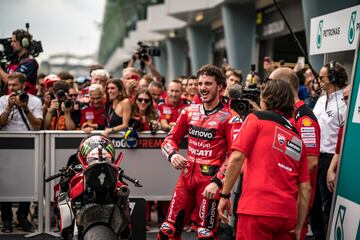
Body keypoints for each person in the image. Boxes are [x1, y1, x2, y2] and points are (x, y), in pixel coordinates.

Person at [218, 78, 311, 240]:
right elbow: (306, 189)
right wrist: (298, 226)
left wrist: (225, 196)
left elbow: (237, 157)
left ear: (265, 98)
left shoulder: (256, 119)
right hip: (287, 216)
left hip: (256, 210)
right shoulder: (298, 138)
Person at [158, 64, 239, 239]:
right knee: (167, 231)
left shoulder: (230, 117)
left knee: (206, 234)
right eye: (200, 83)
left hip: (209, 183)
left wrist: (217, 182)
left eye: (208, 83)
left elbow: (235, 156)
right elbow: (168, 140)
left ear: (220, 87)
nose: (202, 88)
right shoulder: (188, 112)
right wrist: (173, 155)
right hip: (185, 179)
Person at [274, 68, 321, 240]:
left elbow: (311, 161)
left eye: (273, 85)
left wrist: (289, 189)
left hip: (295, 199)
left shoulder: (304, 117)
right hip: (283, 197)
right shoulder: (287, 112)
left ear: (284, 86)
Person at [0, 72, 43, 233]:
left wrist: (25, 108)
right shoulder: (3, 101)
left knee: (27, 181)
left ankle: (22, 216)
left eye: (15, 85)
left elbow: (37, 125)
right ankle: (6, 219)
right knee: (6, 182)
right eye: (9, 85)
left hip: (28, 145)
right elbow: (0, 124)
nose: (11, 88)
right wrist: (9, 108)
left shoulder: (34, 101)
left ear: (23, 86)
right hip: (7, 146)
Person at [312, 61, 347, 239]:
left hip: (330, 159)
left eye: (322, 77)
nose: (318, 81)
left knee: (327, 206)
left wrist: (333, 165)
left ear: (333, 78)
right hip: (314, 157)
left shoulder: (344, 101)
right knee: (314, 206)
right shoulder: (320, 99)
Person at [326, 84, 350, 193]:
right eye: (344, 98)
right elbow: (338, 151)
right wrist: (330, 170)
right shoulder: (345, 124)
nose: (346, 101)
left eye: (349, 97)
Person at [0, 29, 39, 95]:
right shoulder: (14, 62)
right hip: (10, 102)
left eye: (14, 41)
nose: (11, 44)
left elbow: (10, 80)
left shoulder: (30, 63)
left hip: (25, 103)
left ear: (24, 43)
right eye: (11, 41)